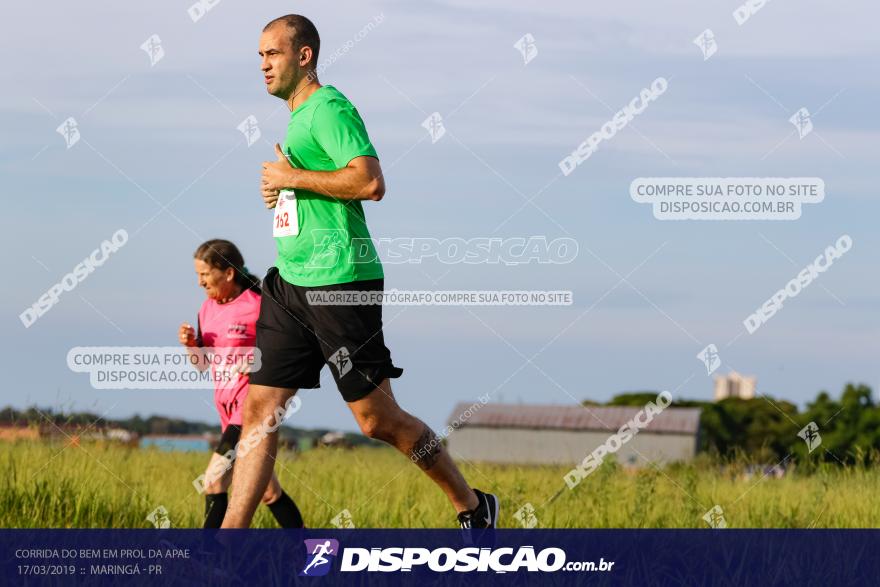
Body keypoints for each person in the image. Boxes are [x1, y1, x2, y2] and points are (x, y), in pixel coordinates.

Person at [221, 15, 498, 531]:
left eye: (273, 54)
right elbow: (317, 188)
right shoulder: (297, 117)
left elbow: (370, 181)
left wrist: (290, 176)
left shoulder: (330, 107)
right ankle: (226, 549)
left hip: (340, 283)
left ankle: (474, 507)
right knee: (259, 410)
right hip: (290, 283)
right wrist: (284, 192)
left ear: (304, 56)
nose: (262, 65)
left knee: (377, 421)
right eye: (259, 56)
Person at [178, 238, 304, 528]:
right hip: (225, 410)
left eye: (206, 275)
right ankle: (311, 549)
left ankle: (210, 558)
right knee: (270, 492)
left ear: (229, 273)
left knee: (213, 481)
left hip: (249, 410)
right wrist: (190, 345)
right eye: (198, 275)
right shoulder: (206, 310)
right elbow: (201, 365)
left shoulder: (258, 305)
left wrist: (261, 363)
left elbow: (291, 343)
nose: (200, 282)